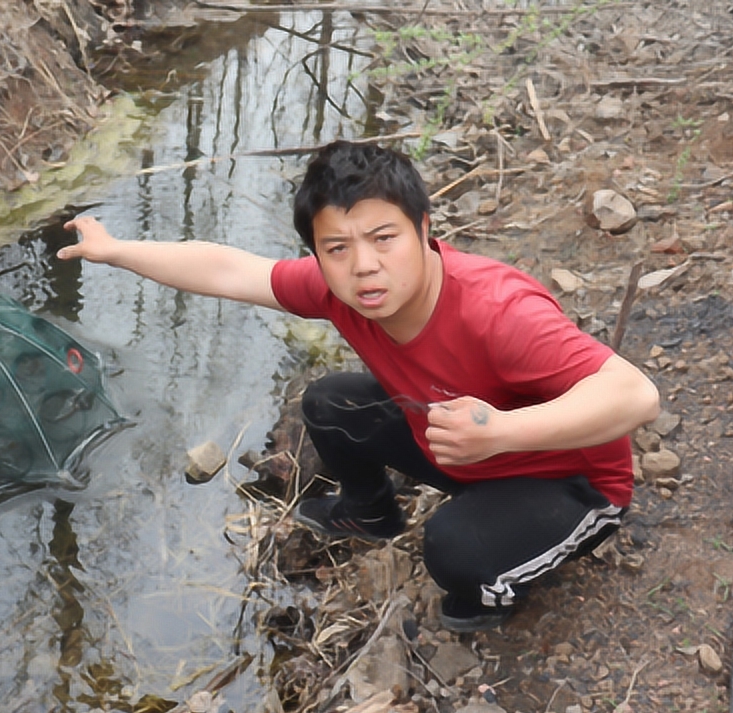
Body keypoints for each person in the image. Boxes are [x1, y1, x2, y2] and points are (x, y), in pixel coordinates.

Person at [57, 141, 661, 632]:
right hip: (467, 448)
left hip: (569, 480)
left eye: (384, 239)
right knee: (331, 401)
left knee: (454, 554)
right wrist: (115, 251)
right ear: (318, 253)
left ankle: (494, 592)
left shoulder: (497, 311)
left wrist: (502, 432)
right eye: (337, 248)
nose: (364, 265)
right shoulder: (336, 286)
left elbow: (635, 396)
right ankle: (369, 513)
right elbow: (230, 269)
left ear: (424, 228)